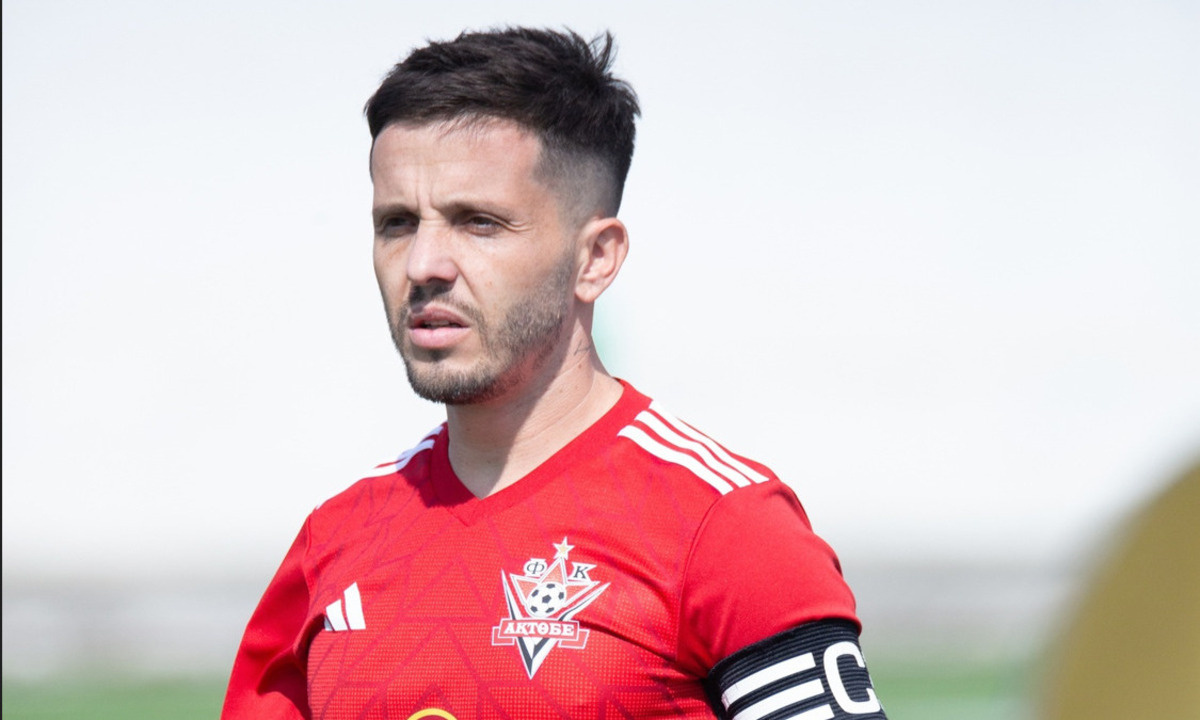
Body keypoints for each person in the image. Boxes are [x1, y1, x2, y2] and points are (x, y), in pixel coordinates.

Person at [221, 27, 887, 720]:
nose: (422, 265)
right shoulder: (335, 540)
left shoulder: (724, 529)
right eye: (397, 223)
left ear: (595, 258)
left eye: (478, 222)